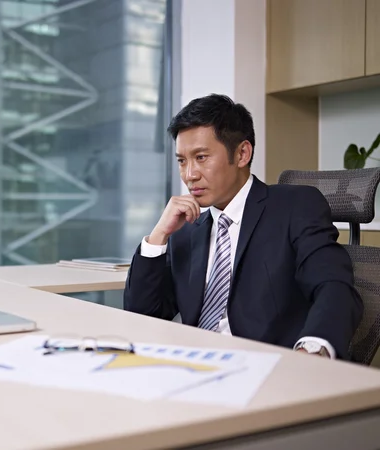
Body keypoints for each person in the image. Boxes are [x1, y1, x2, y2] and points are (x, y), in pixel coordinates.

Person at [123, 94, 362, 360]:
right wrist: (159, 235)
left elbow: (334, 287)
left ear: (242, 154)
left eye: (201, 157)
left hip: (268, 369)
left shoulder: (294, 207)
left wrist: (312, 352)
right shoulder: (187, 228)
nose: (189, 174)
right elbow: (144, 317)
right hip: (194, 366)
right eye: (182, 161)